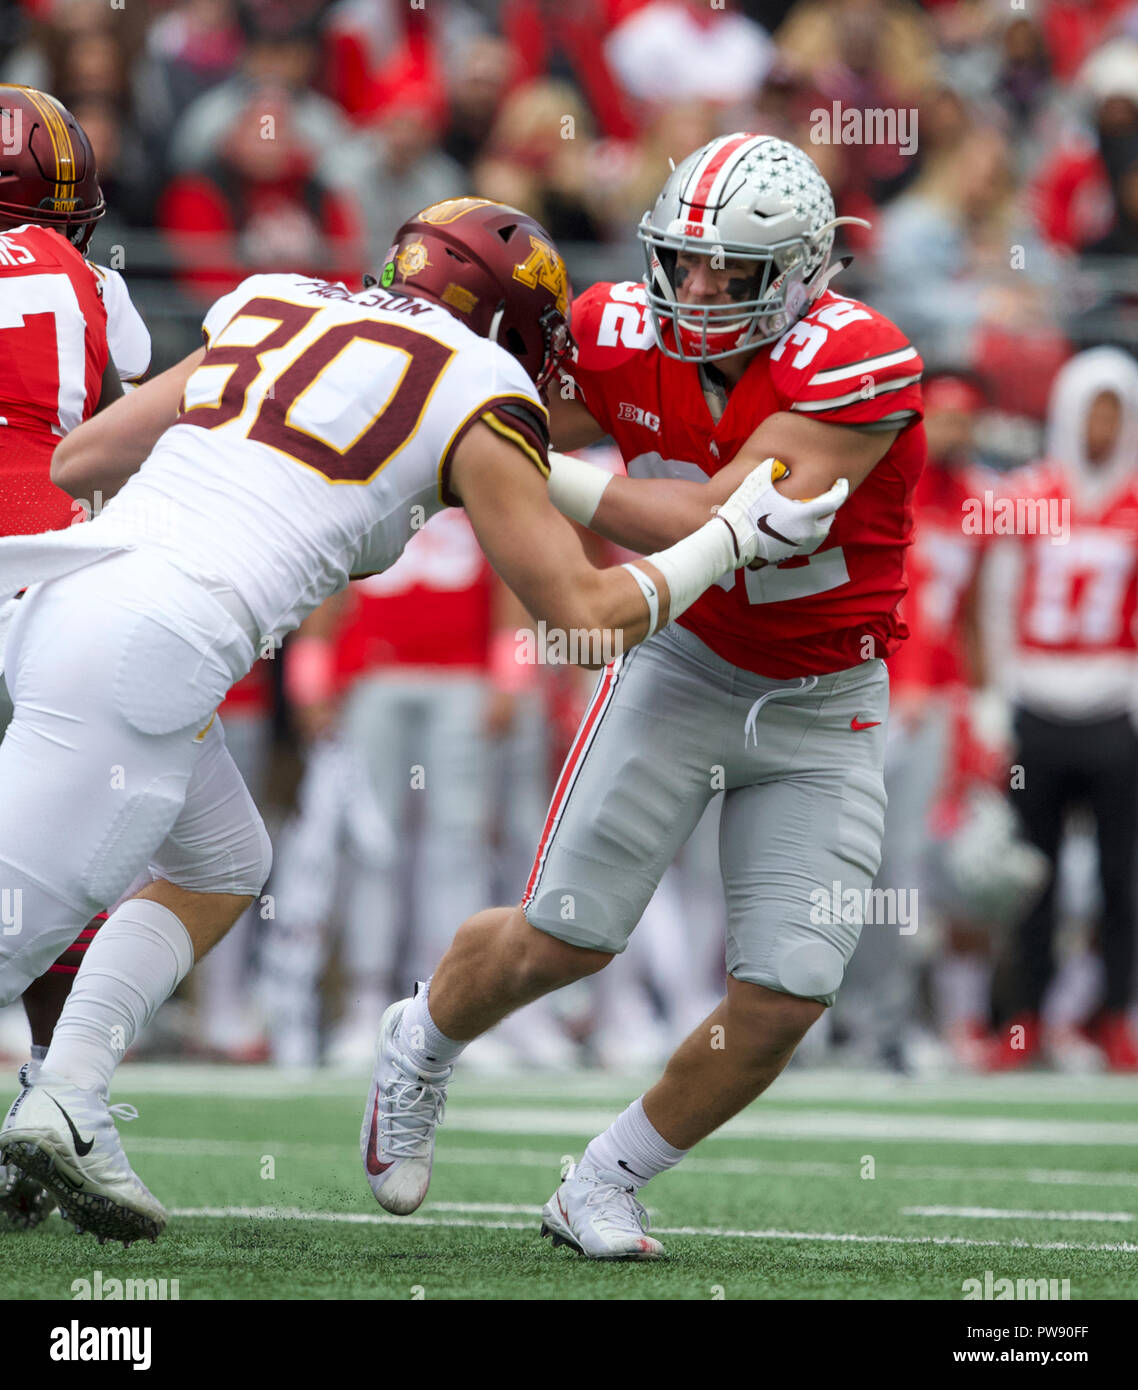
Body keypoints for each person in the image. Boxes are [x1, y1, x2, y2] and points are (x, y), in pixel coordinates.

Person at [0, 196, 840, 1246]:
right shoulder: (481, 385)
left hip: (73, 594)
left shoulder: (272, 304)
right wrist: (728, 539)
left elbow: (82, 458)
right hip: (153, 642)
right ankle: (63, 1097)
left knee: (224, 861)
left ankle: (69, 1093)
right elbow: (583, 618)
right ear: (515, 326)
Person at [358, 133, 925, 1260]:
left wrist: (520, 464)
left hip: (826, 694)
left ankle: (602, 1181)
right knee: (566, 936)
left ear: (805, 272)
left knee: (788, 989)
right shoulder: (621, 328)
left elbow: (706, 516)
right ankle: (419, 1038)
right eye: (686, 261)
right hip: (683, 665)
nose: (699, 292)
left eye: (734, 273)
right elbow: (485, 422)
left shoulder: (856, 361)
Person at [0, 82, 149, 1228]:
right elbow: (127, 388)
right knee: (70, 857)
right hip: (50, 574)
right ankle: (58, 1102)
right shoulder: (84, 275)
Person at [987, 347, 1138, 1072]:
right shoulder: (1027, 490)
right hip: (1038, 701)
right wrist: (994, 699)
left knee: (1121, 876)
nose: (1103, 426)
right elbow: (994, 602)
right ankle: (1021, 1019)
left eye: (1116, 411)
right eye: (1094, 409)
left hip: (1115, 706)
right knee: (1027, 876)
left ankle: (1112, 1017)